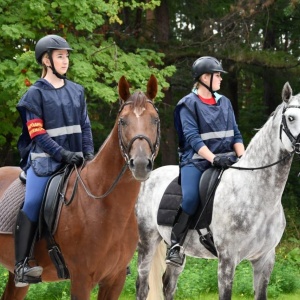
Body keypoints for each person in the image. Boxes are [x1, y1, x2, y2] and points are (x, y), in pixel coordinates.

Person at [14, 34, 94, 287]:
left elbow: (85, 126)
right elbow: (37, 133)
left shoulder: (77, 90)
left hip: (76, 161)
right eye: (60, 56)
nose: (66, 60)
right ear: (46, 60)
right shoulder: (34, 94)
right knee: (33, 202)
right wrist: (62, 154)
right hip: (45, 162)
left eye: (67, 56)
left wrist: (88, 155)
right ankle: (22, 264)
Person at [166, 56, 245, 266]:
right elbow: (193, 139)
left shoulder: (225, 102)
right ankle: (175, 244)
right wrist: (213, 158)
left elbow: (236, 135)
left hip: (227, 160)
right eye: (217, 75)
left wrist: (243, 158)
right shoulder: (187, 105)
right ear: (204, 78)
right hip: (197, 162)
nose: (220, 79)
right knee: (191, 198)